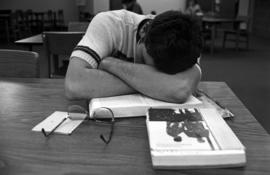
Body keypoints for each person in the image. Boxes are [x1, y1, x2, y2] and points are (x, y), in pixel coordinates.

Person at [65, 10, 202, 103]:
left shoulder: (187, 43)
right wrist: (158, 84)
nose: (148, 72)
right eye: (146, 63)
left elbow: (180, 90)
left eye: (157, 73)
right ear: (143, 33)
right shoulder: (110, 23)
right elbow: (74, 84)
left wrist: (110, 64)